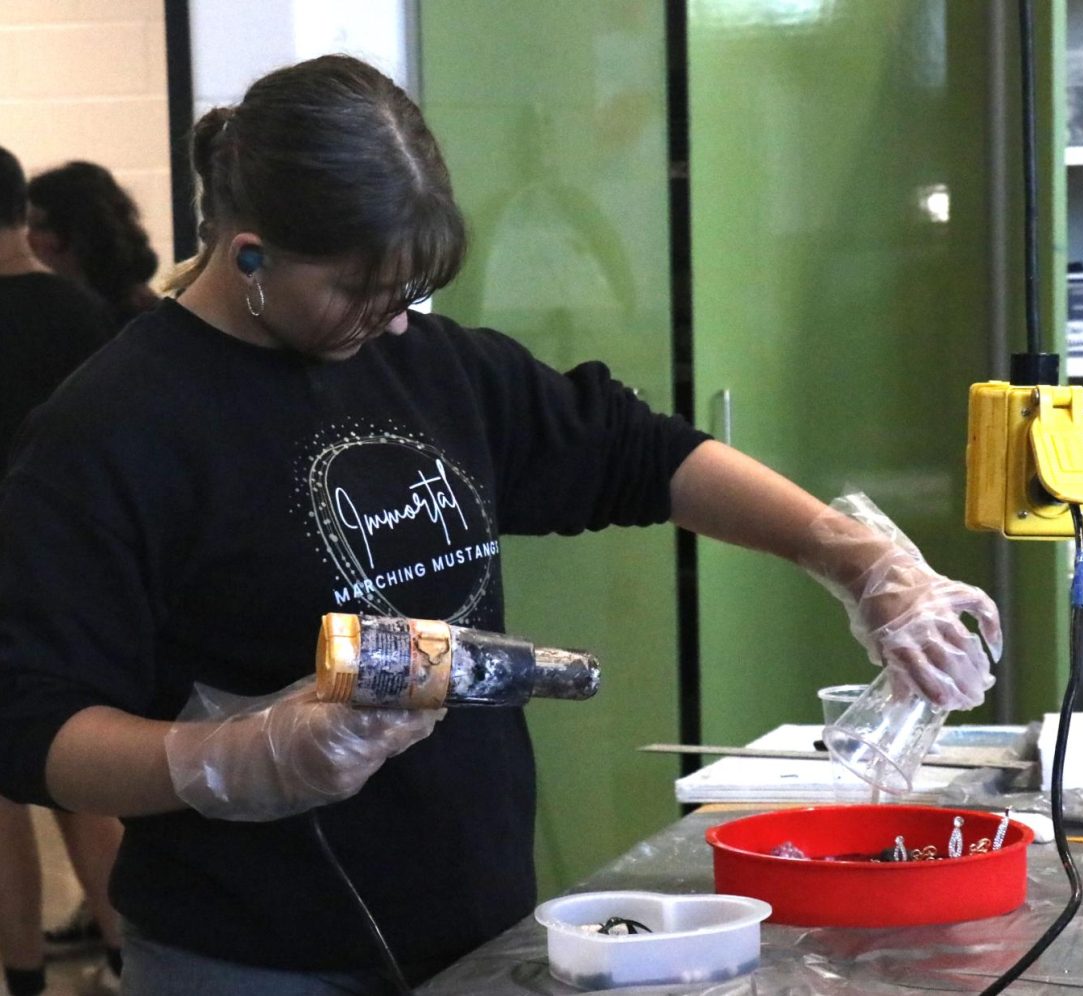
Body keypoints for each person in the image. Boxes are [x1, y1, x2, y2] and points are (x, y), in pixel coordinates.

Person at [0, 56, 1002, 995]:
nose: (390, 320)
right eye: (356, 287)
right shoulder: (117, 427)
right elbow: (34, 724)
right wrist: (235, 760)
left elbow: (641, 453)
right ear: (247, 251)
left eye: (409, 292)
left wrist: (856, 556)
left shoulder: (436, 368)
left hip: (479, 927)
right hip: (253, 957)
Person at [0, 147, 124, 996]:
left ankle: (24, 977)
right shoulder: (86, 314)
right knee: (86, 787)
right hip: (80, 581)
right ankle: (129, 958)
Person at [26, 160, 159, 330]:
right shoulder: (55, 303)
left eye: (40, 226)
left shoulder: (137, 315)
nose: (28, 239)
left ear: (78, 231)